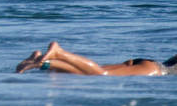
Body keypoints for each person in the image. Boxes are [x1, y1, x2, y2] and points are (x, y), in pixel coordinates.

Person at [15, 41, 177, 76]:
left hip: (149, 64)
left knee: (86, 72)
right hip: (155, 70)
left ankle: (41, 62)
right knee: (101, 75)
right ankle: (59, 52)